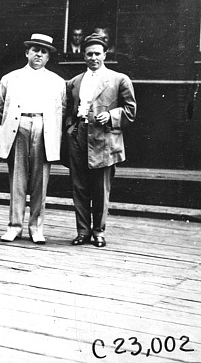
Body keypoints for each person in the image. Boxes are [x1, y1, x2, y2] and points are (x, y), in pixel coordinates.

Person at [64, 34, 136, 248]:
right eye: (89, 54)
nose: (93, 58)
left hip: (104, 138)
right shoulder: (75, 82)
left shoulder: (119, 79)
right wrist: (71, 128)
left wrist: (112, 115)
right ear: (83, 56)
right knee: (79, 186)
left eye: (97, 54)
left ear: (105, 55)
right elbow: (68, 110)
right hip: (79, 135)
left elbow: (130, 111)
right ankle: (83, 231)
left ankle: (98, 232)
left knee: (100, 188)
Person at [0, 34, 65, 244]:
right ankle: (14, 227)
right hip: (19, 126)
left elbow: (62, 108)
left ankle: (36, 227)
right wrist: (17, 123)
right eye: (35, 50)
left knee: (40, 180)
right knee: (17, 179)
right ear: (27, 52)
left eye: (43, 52)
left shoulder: (57, 82)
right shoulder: (10, 78)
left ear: (48, 57)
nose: (38, 55)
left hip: (43, 128)